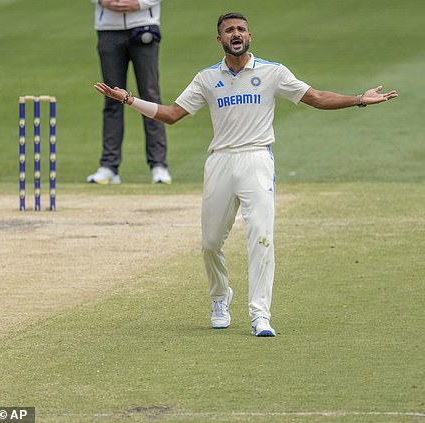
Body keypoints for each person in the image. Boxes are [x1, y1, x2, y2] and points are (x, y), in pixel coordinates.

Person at [93, 12, 398, 336]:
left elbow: (316, 98)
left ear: (249, 36)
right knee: (210, 243)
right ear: (220, 40)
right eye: (229, 30)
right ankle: (220, 296)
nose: (235, 34)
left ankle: (260, 315)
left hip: (256, 159)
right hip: (220, 161)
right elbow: (171, 114)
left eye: (240, 29)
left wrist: (359, 100)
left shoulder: (272, 72)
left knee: (262, 238)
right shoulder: (207, 78)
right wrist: (128, 98)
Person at [88, 0, 172, 184]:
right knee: (111, 98)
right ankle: (109, 167)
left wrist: (140, 3)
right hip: (108, 27)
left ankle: (159, 165)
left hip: (144, 25)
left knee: (150, 96)